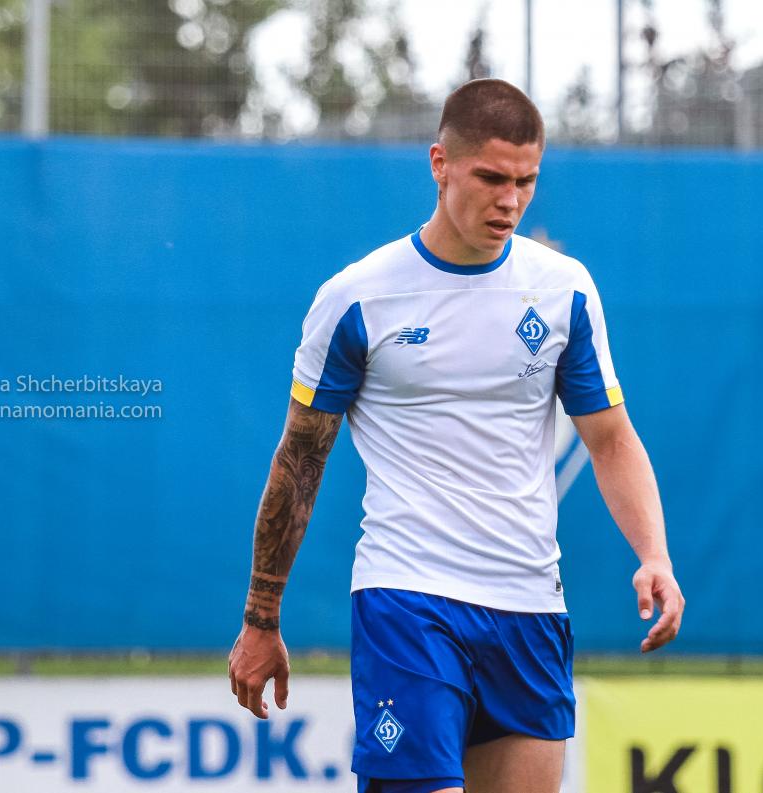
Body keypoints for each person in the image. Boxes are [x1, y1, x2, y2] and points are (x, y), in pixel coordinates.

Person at [228, 78, 684, 793]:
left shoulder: (564, 289)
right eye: (492, 178)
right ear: (440, 164)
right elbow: (301, 460)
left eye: (526, 181)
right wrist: (261, 617)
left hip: (530, 605)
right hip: (408, 598)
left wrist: (654, 553)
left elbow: (611, 440)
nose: (510, 201)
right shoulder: (357, 298)